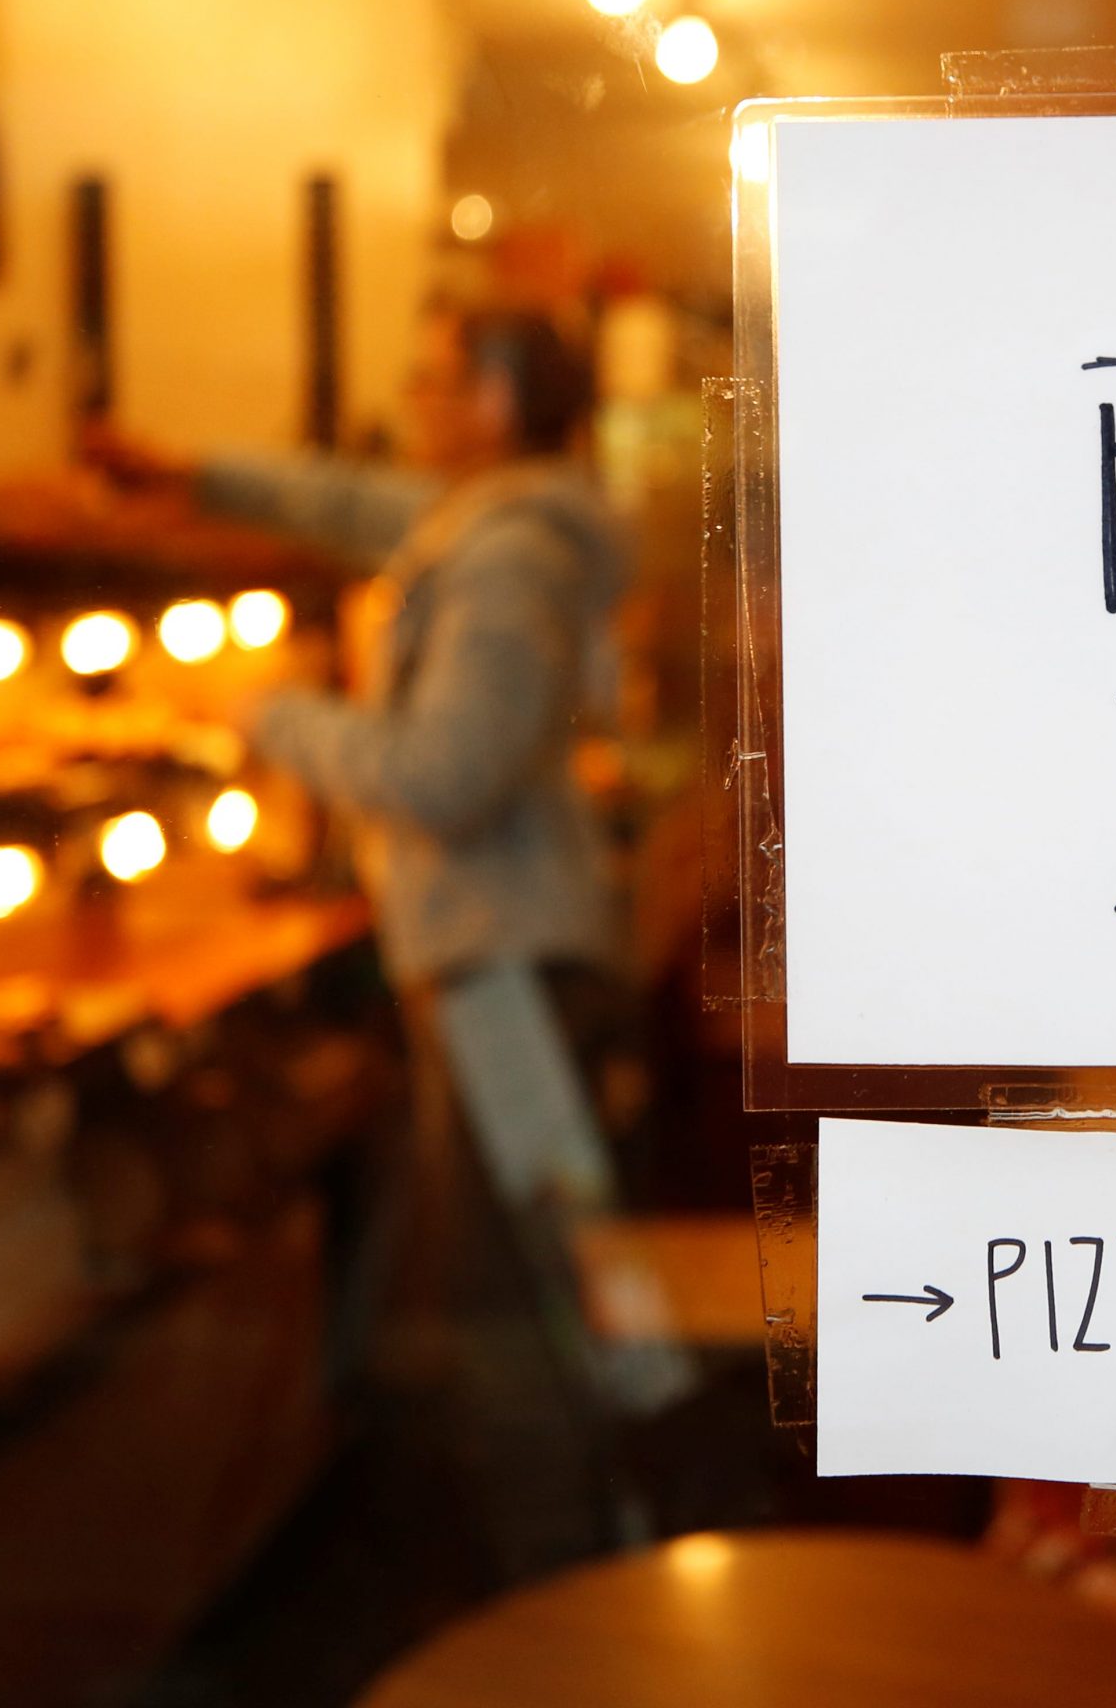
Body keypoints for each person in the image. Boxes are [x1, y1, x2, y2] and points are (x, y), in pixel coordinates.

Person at [87, 308, 682, 1450]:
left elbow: (439, 777)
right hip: (502, 952)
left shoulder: (508, 556)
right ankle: (619, 1522)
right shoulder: (498, 527)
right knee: (555, 1274)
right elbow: (351, 507)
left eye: (433, 380)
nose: (414, 400)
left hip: (503, 965)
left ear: (498, 401)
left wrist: (255, 708)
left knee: (518, 1301)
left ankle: (584, 1557)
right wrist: (194, 476)